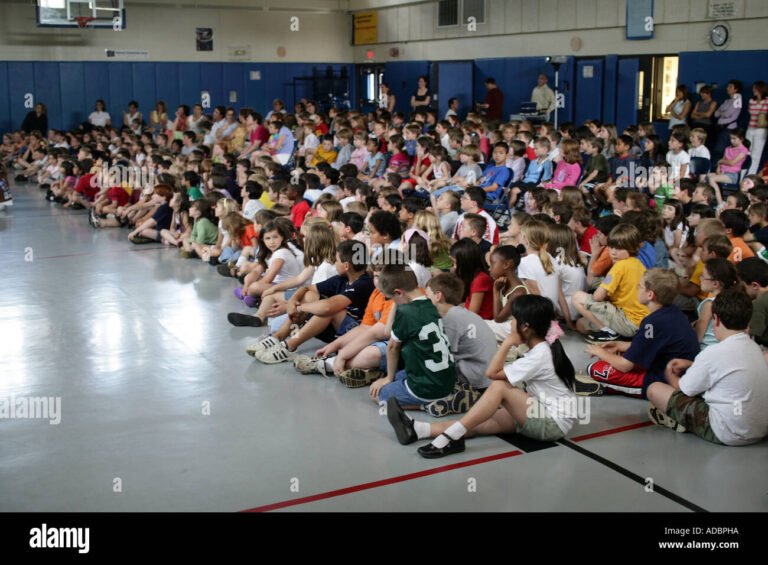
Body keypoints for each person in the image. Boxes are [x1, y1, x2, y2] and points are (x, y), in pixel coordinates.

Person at [385, 295, 576, 457]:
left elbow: (492, 374)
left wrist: (509, 341)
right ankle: (417, 430)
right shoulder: (542, 346)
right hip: (537, 410)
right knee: (477, 421)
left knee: (500, 387)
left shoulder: (541, 353)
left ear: (525, 327)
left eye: (513, 319)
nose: (511, 323)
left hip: (551, 423)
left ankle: (451, 437)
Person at [647, 289, 768, 446]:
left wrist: (670, 372)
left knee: (655, 389)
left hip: (730, 433)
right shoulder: (755, 348)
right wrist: (692, 365)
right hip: (760, 430)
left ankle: (679, 421)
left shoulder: (713, 352)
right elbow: (728, 369)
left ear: (716, 320)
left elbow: (684, 389)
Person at [369, 264, 456, 409]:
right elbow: (388, 330)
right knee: (400, 375)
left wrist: (388, 378)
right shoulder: (430, 304)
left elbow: (392, 346)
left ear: (398, 293)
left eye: (391, 299)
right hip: (445, 381)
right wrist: (397, 302)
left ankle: (430, 405)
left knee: (380, 394)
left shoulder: (407, 312)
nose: (393, 303)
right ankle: (441, 398)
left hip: (427, 388)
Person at [712, 80, 743, 162]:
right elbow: (716, 113)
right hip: (719, 128)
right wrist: (723, 113)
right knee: (716, 149)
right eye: (727, 86)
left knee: (719, 149)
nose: (727, 88)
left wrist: (722, 113)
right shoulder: (726, 101)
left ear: (736, 89)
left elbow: (729, 114)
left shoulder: (738, 99)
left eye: (730, 87)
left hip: (728, 128)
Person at [746, 81, 768, 174]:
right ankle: (743, 173)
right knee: (747, 152)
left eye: (755, 88)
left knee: (756, 154)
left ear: (760, 89)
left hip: (761, 130)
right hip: (750, 128)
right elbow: (752, 113)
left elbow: (763, 113)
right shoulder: (751, 101)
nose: (753, 90)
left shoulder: (766, 101)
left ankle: (751, 175)